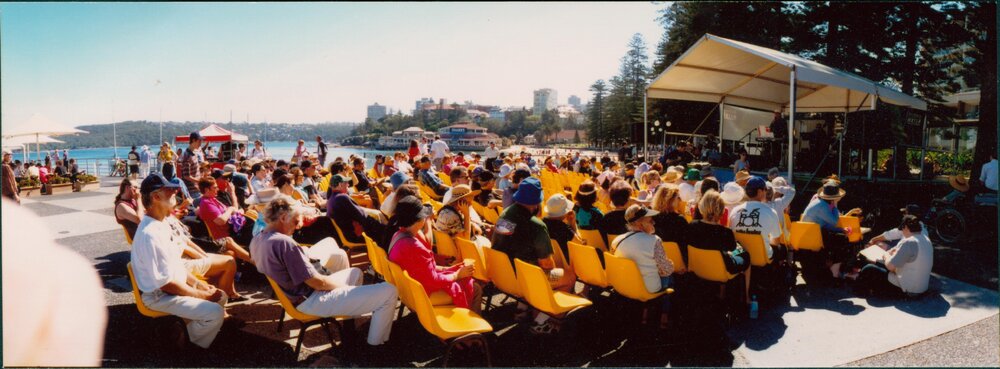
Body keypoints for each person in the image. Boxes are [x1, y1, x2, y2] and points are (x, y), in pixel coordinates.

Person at [251, 195, 398, 348]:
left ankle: (349, 332)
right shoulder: (284, 243)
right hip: (311, 299)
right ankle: (375, 347)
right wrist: (347, 290)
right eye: (295, 221)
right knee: (389, 291)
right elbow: (318, 283)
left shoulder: (258, 238)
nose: (298, 226)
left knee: (355, 273)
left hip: (298, 296)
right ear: (282, 218)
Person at [131, 174, 228, 349]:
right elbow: (166, 284)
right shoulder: (150, 234)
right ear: (155, 197)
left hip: (171, 288)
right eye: (169, 190)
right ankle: (188, 344)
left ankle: (187, 328)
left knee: (221, 296)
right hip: (159, 296)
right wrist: (201, 295)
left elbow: (176, 266)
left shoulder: (162, 223)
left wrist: (199, 285)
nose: (175, 191)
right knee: (214, 313)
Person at [491, 177, 576, 334]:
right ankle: (543, 321)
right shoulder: (537, 225)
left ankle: (524, 307)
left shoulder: (505, 213)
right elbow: (547, 265)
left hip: (504, 275)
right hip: (526, 279)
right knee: (569, 277)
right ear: (537, 201)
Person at [390, 195, 481, 312]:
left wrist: (448, 269)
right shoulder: (414, 245)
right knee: (476, 289)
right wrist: (457, 274)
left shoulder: (398, 235)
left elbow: (422, 268)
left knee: (465, 281)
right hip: (422, 295)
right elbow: (433, 280)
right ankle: (472, 327)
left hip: (407, 291)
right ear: (420, 220)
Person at [612, 204, 674, 328]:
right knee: (670, 276)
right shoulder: (655, 240)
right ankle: (664, 316)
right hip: (648, 288)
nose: (654, 223)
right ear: (640, 224)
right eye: (651, 220)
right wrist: (671, 264)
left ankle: (645, 313)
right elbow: (666, 271)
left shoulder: (617, 240)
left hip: (624, 285)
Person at [687, 190, 752, 304]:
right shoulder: (725, 232)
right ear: (721, 210)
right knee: (746, 256)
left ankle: (721, 293)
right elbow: (732, 249)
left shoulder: (692, 226)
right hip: (721, 271)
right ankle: (746, 297)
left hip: (698, 269)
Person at [854, 215, 933, 297]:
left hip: (907, 290)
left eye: (902, 229)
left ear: (905, 227)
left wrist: (886, 254)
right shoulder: (926, 239)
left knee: (869, 268)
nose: (902, 232)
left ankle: (859, 289)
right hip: (920, 288)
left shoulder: (909, 242)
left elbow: (890, 267)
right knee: (878, 264)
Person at [802, 181, 854, 279]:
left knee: (838, 236)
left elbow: (827, 224)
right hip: (813, 237)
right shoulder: (823, 206)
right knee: (842, 241)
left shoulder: (819, 203)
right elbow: (835, 221)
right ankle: (835, 271)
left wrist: (842, 230)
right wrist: (834, 205)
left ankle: (832, 266)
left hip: (810, 234)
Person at [196, 178, 254, 263]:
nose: (217, 189)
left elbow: (234, 210)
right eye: (215, 187)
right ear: (206, 190)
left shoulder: (213, 199)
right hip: (227, 235)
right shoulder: (207, 203)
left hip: (234, 230)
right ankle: (257, 263)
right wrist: (230, 210)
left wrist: (232, 194)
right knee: (256, 233)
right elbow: (221, 220)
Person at [728, 176, 785, 262]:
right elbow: (775, 242)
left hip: (741, 255)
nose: (766, 191)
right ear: (759, 191)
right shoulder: (771, 212)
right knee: (782, 249)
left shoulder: (735, 211)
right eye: (765, 189)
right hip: (762, 257)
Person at [327, 174, 390, 246]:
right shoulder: (342, 197)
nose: (348, 184)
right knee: (386, 234)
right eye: (346, 183)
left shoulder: (331, 199)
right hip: (355, 236)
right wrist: (381, 226)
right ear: (340, 185)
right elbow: (362, 216)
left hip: (347, 235)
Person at [434, 184, 491, 249]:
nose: (471, 204)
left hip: (448, 246)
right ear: (460, 202)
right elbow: (465, 239)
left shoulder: (448, 210)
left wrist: (472, 224)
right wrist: (467, 214)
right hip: (454, 250)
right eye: (469, 202)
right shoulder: (452, 216)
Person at [649, 184, 689, 259]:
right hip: (679, 261)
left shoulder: (651, 218)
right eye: (678, 198)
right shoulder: (679, 220)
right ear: (669, 200)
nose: (680, 200)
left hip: (658, 260)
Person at [542, 194, 578, 264]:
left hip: (553, 262)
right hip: (568, 264)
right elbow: (579, 244)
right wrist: (573, 223)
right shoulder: (563, 228)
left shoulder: (542, 223)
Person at [179, 132, 205, 200]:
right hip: (192, 191)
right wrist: (199, 181)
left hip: (196, 189)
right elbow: (186, 176)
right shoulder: (187, 155)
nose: (200, 143)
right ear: (193, 140)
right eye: (199, 141)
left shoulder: (194, 153)